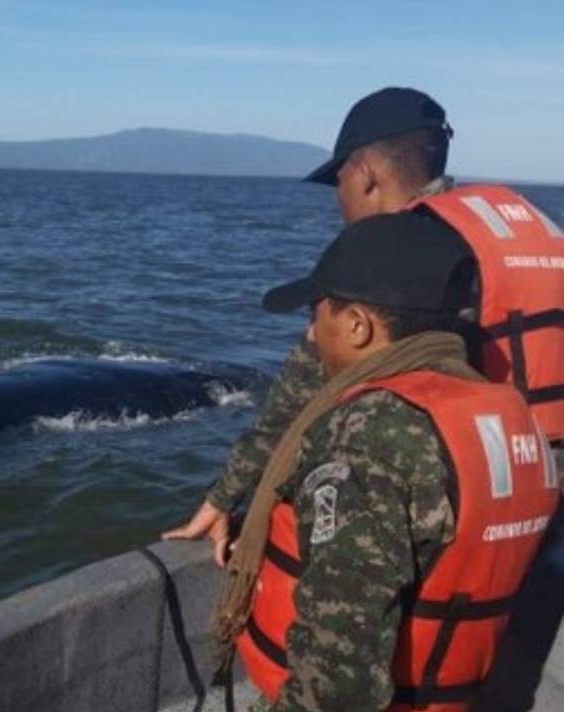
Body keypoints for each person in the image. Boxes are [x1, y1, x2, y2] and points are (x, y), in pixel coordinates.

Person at [178, 212, 559, 712]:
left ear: (357, 326)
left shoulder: (373, 435)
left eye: (317, 315)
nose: (309, 335)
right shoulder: (501, 410)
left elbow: (340, 684)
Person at [165, 86, 564, 563]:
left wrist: (223, 498)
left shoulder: (388, 264)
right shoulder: (528, 229)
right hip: (541, 486)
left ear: (365, 175)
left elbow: (297, 399)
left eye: (339, 180)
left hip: (468, 503)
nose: (339, 198)